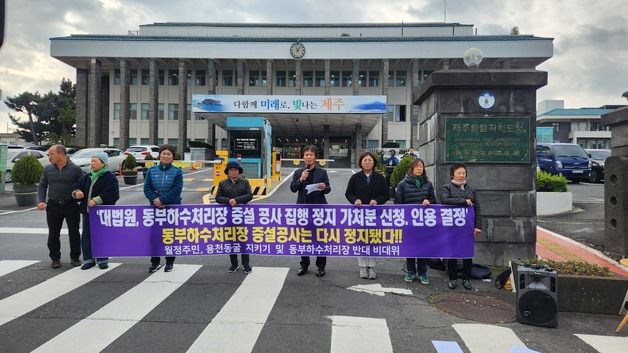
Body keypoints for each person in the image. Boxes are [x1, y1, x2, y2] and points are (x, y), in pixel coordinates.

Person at [37, 144, 84, 268]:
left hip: (71, 205)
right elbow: (42, 185)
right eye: (49, 154)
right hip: (53, 205)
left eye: (52, 154)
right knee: (53, 233)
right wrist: (41, 200)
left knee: (73, 232)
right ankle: (55, 258)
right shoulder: (47, 169)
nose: (49, 157)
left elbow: (83, 184)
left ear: (62, 154)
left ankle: (75, 257)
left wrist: (79, 192)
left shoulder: (75, 169)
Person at [71, 152, 119, 270]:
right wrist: (77, 192)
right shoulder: (86, 176)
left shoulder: (110, 177)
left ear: (103, 164)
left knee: (102, 235)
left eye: (95, 161)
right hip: (87, 212)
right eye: (91, 161)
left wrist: (97, 200)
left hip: (102, 213)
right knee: (87, 236)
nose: (92, 164)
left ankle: (102, 259)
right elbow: (75, 186)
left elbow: (113, 193)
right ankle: (88, 259)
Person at [345, 152, 389, 279]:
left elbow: (386, 195)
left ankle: (372, 267)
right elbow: (348, 193)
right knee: (361, 241)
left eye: (370, 160)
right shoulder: (355, 178)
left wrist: (377, 201)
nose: (367, 162)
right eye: (365, 160)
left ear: (374, 162)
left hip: (375, 214)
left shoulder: (380, 178)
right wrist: (355, 200)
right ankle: (362, 267)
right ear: (361, 163)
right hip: (359, 214)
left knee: (373, 240)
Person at [440, 163, 482, 290]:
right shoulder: (447, 187)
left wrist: (478, 226)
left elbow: (478, 209)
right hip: (452, 227)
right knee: (452, 253)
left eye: (463, 173)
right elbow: (445, 200)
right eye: (459, 173)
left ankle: (466, 278)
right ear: (453, 174)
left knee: (467, 254)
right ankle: (452, 278)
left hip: (467, 228)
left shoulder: (471, 189)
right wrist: (464, 201)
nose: (461, 175)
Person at [290, 145, 331, 277]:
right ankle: (304, 265)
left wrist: (324, 187)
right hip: (303, 209)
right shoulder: (298, 172)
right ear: (303, 157)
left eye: (311, 154)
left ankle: (321, 266)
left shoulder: (322, 172)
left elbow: (328, 189)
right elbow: (293, 188)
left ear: (315, 157)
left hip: (319, 209)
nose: (309, 157)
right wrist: (301, 179)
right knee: (304, 238)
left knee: (320, 238)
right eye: (306, 154)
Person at [395, 158, 437, 285]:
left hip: (424, 223)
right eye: (417, 166)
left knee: (423, 248)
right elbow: (398, 203)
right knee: (411, 248)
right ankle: (411, 271)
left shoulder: (428, 184)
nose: (419, 169)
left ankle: (423, 272)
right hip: (409, 222)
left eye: (421, 166)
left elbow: (434, 202)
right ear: (412, 168)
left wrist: (428, 202)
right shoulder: (403, 184)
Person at [143, 145, 183, 273]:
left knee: (170, 236)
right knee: (154, 236)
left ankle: (169, 262)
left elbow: (177, 190)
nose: (166, 156)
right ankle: (155, 262)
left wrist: (163, 200)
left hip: (171, 209)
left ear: (172, 157)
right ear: (159, 155)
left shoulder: (177, 172)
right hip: (155, 209)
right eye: (164, 153)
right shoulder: (151, 170)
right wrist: (155, 200)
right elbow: (147, 188)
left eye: (169, 154)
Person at [215, 161, 253, 274]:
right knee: (231, 240)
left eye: (235, 169)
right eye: (231, 169)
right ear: (227, 171)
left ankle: (246, 264)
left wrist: (237, 200)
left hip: (242, 216)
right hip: (229, 216)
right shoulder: (222, 183)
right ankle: (234, 264)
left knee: (244, 240)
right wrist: (229, 201)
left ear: (239, 171)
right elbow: (218, 198)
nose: (233, 171)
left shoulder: (245, 182)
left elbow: (250, 195)